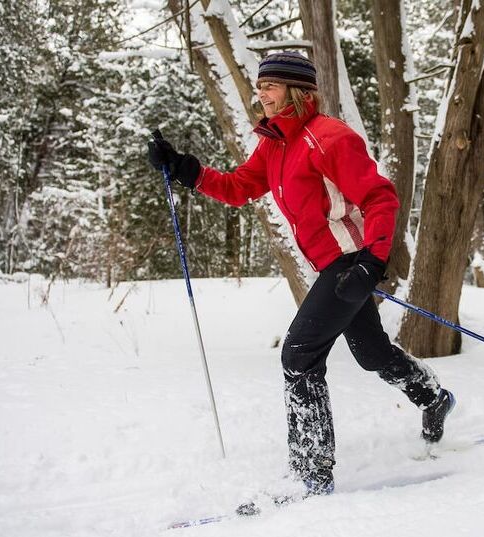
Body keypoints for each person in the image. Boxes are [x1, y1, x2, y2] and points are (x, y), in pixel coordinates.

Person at [146, 52, 454, 501]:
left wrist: (372, 263)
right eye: (259, 88)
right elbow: (240, 188)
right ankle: (432, 396)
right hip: (332, 266)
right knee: (371, 353)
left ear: (297, 91)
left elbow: (380, 197)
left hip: (352, 261)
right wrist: (185, 169)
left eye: (269, 87)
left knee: (299, 354)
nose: (261, 95)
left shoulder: (331, 138)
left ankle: (313, 470)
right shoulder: (275, 143)